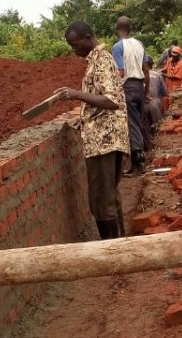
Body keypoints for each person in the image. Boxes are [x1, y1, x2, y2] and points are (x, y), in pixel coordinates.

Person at [56, 21, 130, 239]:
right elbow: (102, 99)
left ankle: (111, 251)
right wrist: (85, 116)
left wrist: (76, 94)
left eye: (75, 44)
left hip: (104, 142)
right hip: (104, 136)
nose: (73, 49)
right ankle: (120, 245)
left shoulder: (102, 60)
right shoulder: (96, 60)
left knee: (100, 198)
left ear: (88, 38)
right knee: (108, 195)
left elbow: (111, 100)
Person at [111, 16, 152, 176]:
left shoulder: (117, 47)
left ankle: (139, 164)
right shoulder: (139, 44)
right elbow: (146, 70)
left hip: (128, 87)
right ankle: (138, 162)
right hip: (140, 86)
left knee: (132, 124)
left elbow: (121, 72)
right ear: (131, 29)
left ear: (117, 29)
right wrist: (146, 92)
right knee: (139, 122)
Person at [145, 58, 168, 129]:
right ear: (151, 66)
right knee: (158, 127)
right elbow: (164, 93)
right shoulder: (158, 75)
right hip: (156, 105)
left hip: (142, 106)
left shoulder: (137, 76)